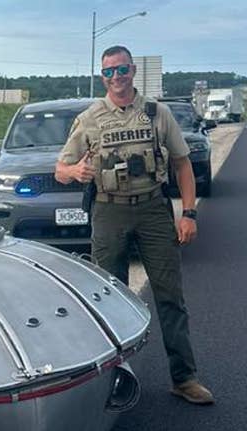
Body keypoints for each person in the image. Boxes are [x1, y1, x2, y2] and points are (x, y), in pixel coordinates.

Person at [55, 45, 214, 405]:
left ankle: (184, 377)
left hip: (153, 210)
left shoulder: (158, 113)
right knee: (109, 299)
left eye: (122, 70)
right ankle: (114, 379)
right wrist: (75, 171)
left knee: (170, 295)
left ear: (132, 72)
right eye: (109, 72)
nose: (116, 77)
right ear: (102, 77)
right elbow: (60, 169)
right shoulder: (90, 118)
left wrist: (188, 214)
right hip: (109, 212)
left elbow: (182, 164)